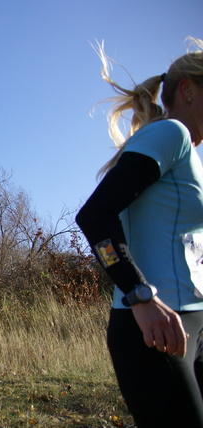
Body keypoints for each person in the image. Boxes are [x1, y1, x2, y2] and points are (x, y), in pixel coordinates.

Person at [76, 37, 203, 427]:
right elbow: (95, 216)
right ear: (188, 90)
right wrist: (139, 295)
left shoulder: (185, 152)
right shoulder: (171, 135)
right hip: (157, 328)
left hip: (192, 323)